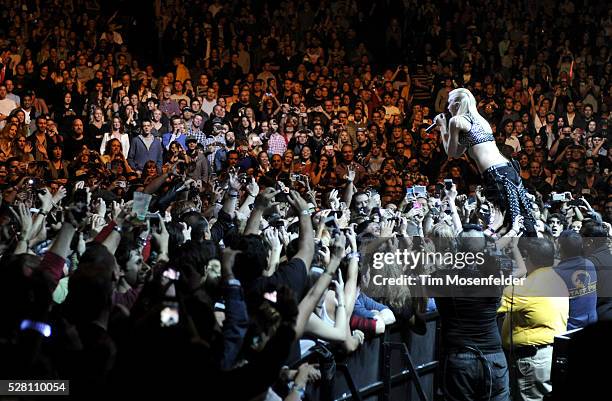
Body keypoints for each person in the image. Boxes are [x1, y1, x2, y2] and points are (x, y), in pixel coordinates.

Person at [434, 88, 536, 234]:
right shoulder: (481, 121)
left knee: (505, 223)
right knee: (520, 217)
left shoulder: (456, 121)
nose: (448, 107)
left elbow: (451, 152)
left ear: (457, 104)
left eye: (449, 103)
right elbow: (458, 152)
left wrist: (442, 126)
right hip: (507, 169)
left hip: (495, 174)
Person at [498, 237, 568, 401]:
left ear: (528, 257)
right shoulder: (556, 278)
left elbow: (490, 305)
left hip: (532, 361)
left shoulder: (527, 287)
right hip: (548, 355)